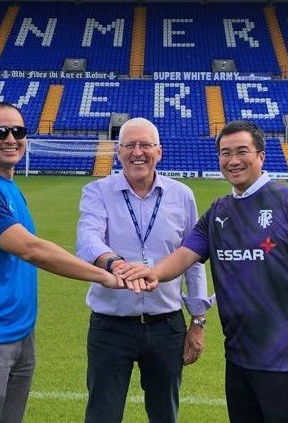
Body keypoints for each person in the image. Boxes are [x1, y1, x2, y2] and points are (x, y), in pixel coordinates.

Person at [121, 121, 288, 422]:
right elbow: (184, 255)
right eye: (225, 153)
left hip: (286, 362)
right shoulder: (219, 211)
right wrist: (151, 273)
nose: (233, 160)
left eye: (242, 151)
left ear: (261, 156)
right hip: (238, 360)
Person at [0, 102, 147, 423]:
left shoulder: (9, 188)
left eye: (18, 131)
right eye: (1, 132)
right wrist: (104, 275)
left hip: (19, 333)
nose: (11, 138)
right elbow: (31, 250)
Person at [76, 117, 213, 423]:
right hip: (111, 326)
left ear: (159, 151)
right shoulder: (97, 191)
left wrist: (199, 321)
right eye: (129, 145)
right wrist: (116, 264)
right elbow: (88, 239)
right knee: (102, 415)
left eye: (145, 145)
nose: (137, 152)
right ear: (118, 152)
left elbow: (193, 259)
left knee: (165, 414)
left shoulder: (182, 195)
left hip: (167, 327)